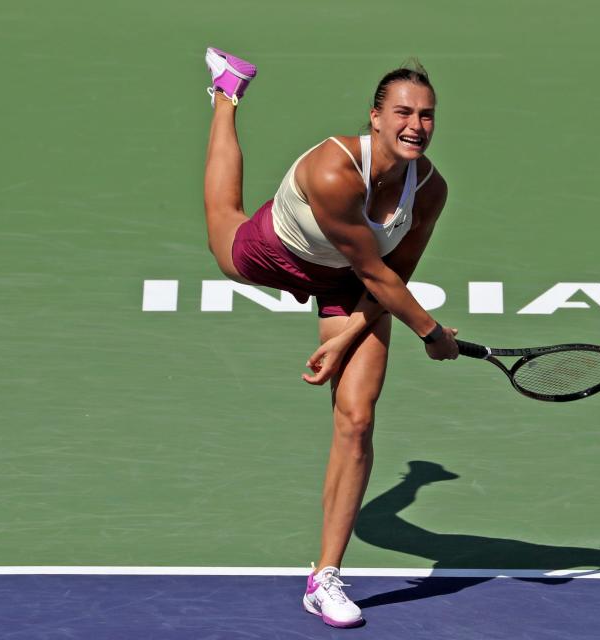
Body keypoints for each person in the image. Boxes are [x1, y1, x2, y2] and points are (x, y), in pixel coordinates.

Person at [202, 47, 459, 628]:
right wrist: (432, 333)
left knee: (357, 417)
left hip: (355, 280)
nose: (415, 125)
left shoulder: (431, 191)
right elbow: (376, 273)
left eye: (426, 115)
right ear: (374, 117)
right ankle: (225, 95)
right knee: (224, 224)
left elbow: (393, 276)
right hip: (283, 251)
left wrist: (343, 342)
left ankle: (325, 577)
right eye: (402, 112)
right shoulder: (333, 169)